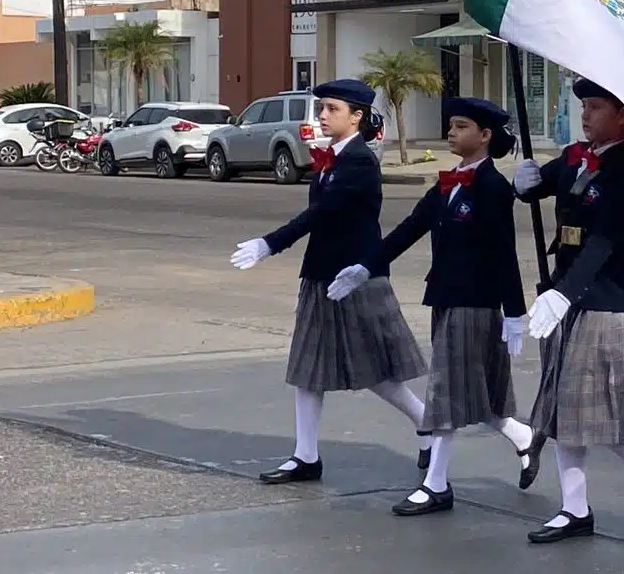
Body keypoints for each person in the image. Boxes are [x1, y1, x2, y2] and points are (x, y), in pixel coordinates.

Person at [338, 97, 546, 516]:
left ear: (485, 136)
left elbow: (505, 252)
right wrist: (366, 266)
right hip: (446, 298)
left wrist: (514, 312)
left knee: (445, 390)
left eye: (461, 125)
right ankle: (523, 437)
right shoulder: (449, 183)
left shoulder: (491, 187)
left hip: (476, 302)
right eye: (450, 125)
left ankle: (436, 484)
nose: (451, 132)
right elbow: (410, 229)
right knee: (473, 389)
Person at [230, 79, 430, 485]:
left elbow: (322, 214)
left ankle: (428, 425)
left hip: (353, 278)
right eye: (321, 108)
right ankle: (306, 456)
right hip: (321, 275)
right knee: (308, 368)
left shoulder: (358, 161)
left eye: (331, 109)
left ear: (356, 116)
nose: (322, 115)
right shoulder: (332, 160)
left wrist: (271, 244)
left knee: (376, 373)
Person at [512, 78, 624, 544]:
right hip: (565, 292)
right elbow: (544, 185)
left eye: (596, 107)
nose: (585, 114)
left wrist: (566, 294)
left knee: (599, 407)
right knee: (564, 407)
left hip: (604, 296)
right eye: (584, 106)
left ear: (623, 115)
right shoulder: (573, 157)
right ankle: (574, 509)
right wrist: (525, 183)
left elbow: (605, 241)